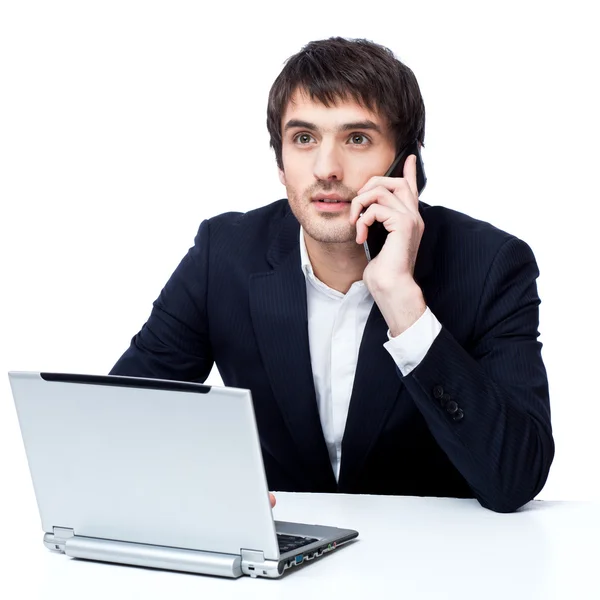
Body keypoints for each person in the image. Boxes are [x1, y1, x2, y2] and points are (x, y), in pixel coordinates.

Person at [110, 37, 554, 513]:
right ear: (281, 162)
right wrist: (206, 486)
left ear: (408, 164)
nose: (326, 169)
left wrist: (403, 303)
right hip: (279, 567)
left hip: (430, 568)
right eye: (304, 139)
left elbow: (515, 478)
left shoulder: (491, 264)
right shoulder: (224, 254)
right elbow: (121, 422)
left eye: (357, 138)